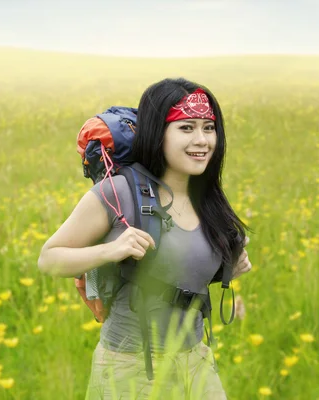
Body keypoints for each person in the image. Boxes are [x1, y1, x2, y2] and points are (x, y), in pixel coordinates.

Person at [37, 77, 252, 399]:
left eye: (209, 128)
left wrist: (226, 270)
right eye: (186, 128)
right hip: (132, 368)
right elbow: (49, 259)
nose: (202, 140)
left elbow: (176, 274)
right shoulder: (118, 192)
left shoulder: (206, 196)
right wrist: (111, 250)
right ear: (158, 134)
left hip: (196, 361)